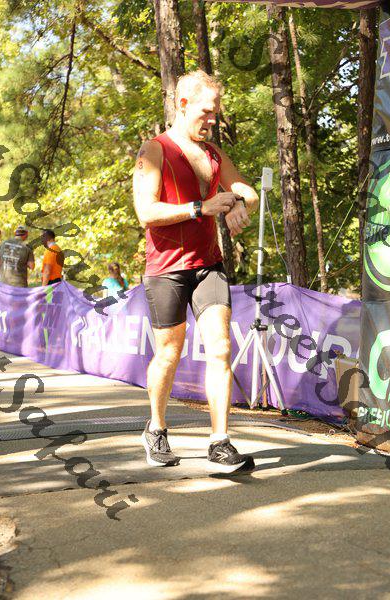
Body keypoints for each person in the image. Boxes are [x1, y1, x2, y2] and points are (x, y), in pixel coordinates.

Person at [133, 70, 259, 473]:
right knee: (169, 353)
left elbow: (247, 190)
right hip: (166, 269)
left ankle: (219, 442)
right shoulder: (154, 150)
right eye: (206, 111)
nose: (212, 119)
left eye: (215, 112)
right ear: (183, 104)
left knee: (220, 348)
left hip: (209, 265)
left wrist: (238, 203)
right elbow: (146, 212)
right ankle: (156, 428)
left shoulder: (214, 154)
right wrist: (200, 208)